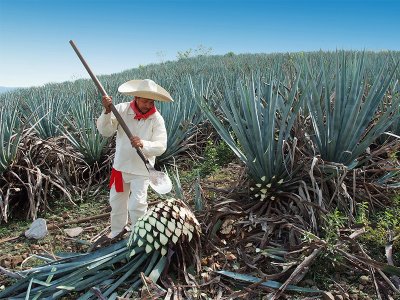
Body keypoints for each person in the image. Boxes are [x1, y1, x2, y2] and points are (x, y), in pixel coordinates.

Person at [96, 79, 173, 238]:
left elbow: (161, 146)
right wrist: (107, 111)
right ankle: (117, 232)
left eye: (151, 102)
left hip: (142, 170)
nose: (148, 105)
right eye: (145, 101)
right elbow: (106, 131)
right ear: (136, 98)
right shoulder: (121, 110)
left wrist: (143, 144)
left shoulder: (156, 119)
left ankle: (139, 235)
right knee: (117, 203)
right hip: (120, 168)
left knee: (137, 204)